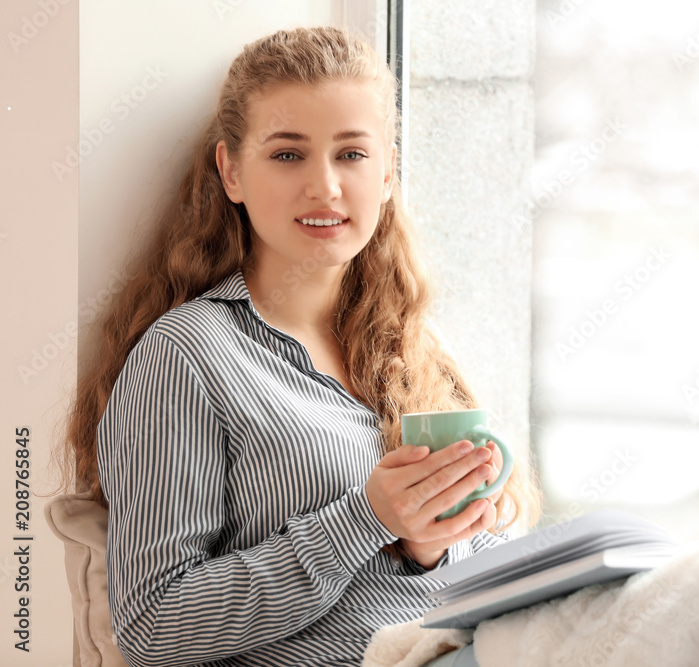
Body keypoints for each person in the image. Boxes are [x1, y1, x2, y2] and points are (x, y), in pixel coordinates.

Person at [59, 25, 540, 667]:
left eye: (352, 155)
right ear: (232, 171)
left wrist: (432, 543)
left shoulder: (413, 345)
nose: (326, 187)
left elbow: (482, 567)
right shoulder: (188, 355)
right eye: (288, 155)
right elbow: (155, 627)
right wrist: (367, 518)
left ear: (389, 172)